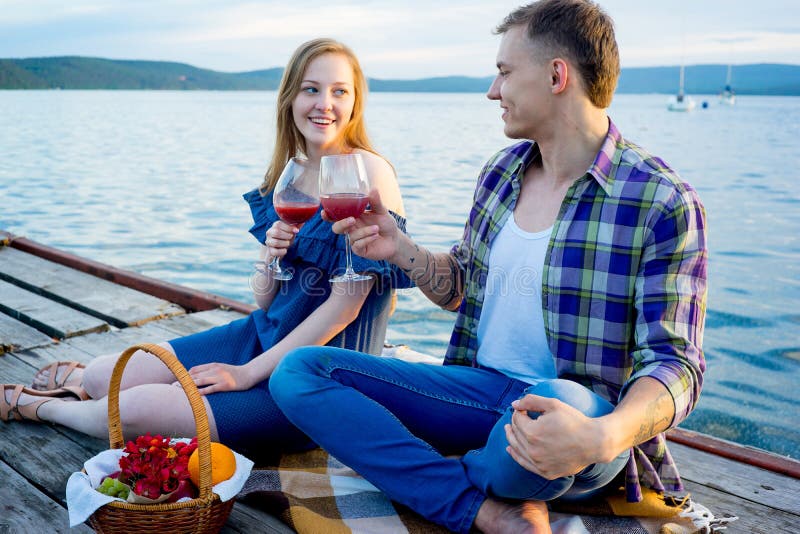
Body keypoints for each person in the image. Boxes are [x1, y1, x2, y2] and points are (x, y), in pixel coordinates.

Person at [268, 2, 707, 533]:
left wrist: (604, 436)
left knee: (551, 403)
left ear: (556, 76)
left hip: (578, 422)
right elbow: (458, 287)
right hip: (477, 394)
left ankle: (439, 474)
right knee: (300, 372)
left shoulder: (661, 200)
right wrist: (398, 247)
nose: (493, 91)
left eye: (504, 72)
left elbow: (675, 364)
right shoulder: (501, 174)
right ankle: (480, 504)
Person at [0, 38, 409, 463]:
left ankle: (45, 408)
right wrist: (269, 257)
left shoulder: (368, 172)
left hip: (318, 376)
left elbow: (344, 310)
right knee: (105, 375)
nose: (324, 103)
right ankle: (83, 387)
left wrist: (244, 374)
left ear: (355, 102)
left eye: (339, 91)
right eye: (311, 89)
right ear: (290, 97)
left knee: (132, 410)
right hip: (263, 336)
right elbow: (265, 301)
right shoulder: (290, 174)